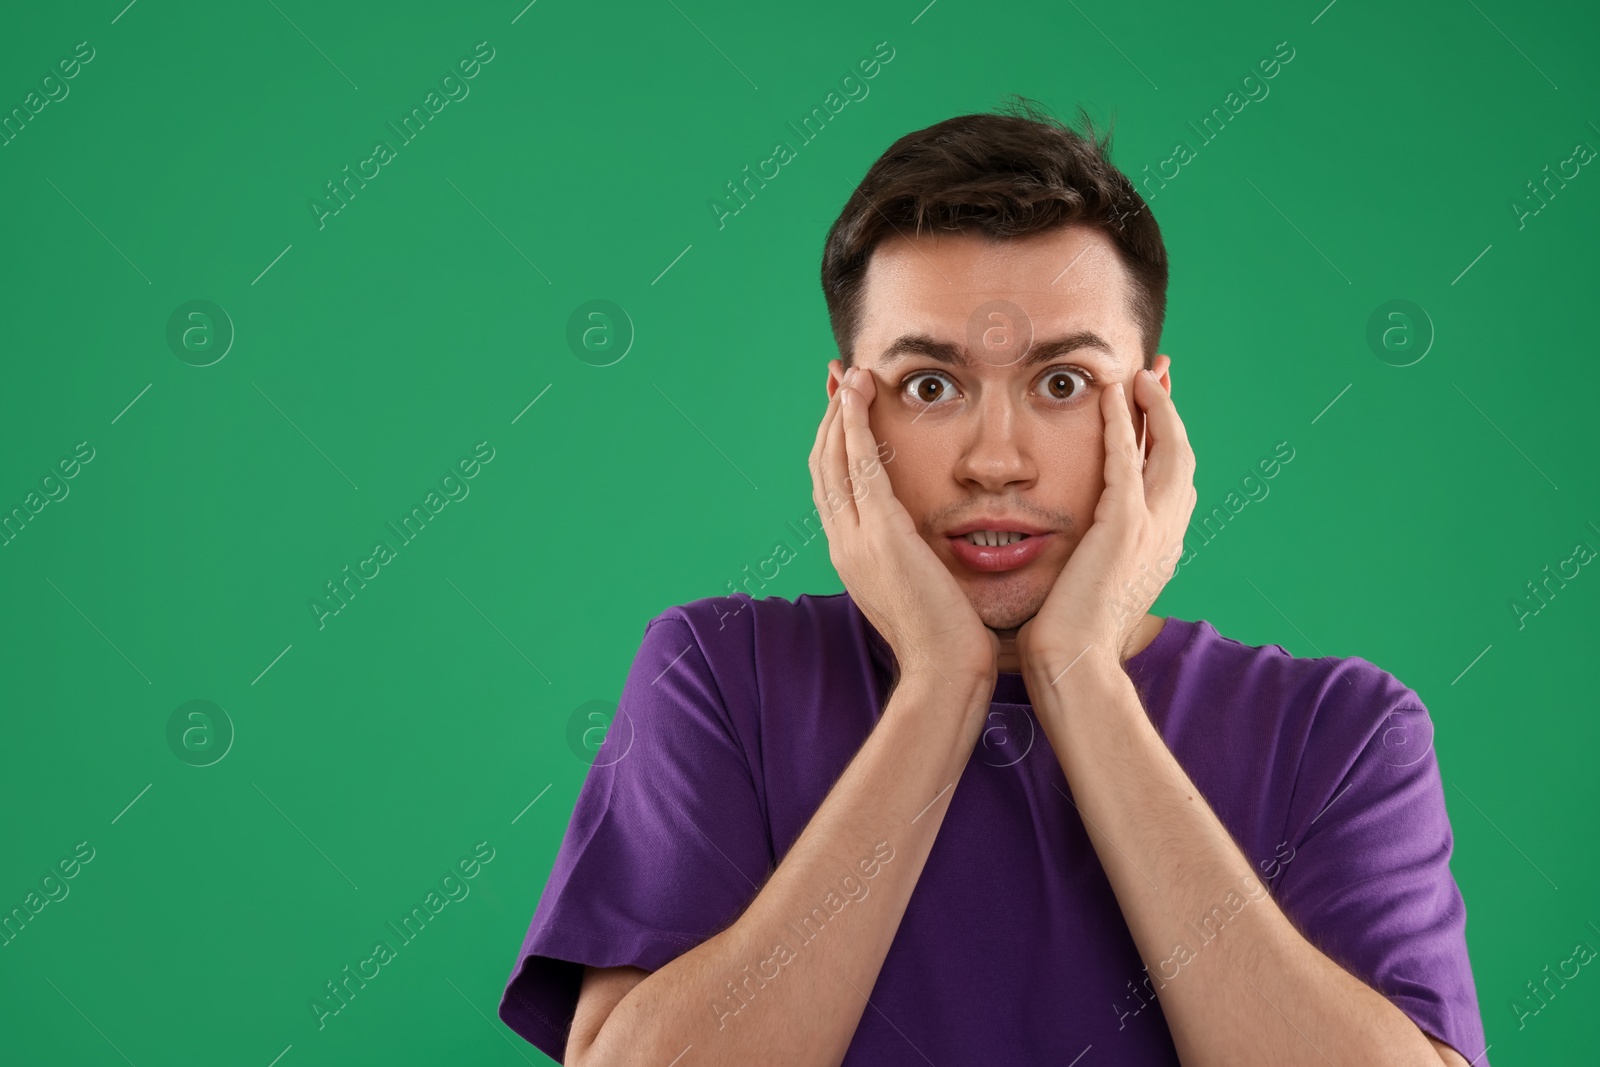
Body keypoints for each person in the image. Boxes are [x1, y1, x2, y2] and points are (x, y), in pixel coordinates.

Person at [496, 98, 1489, 1066]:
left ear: (1150, 412)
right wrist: (939, 687)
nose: (996, 461)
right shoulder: (718, 675)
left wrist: (1081, 679)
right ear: (848, 416)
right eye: (930, 385)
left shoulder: (1341, 730)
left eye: (1063, 383)